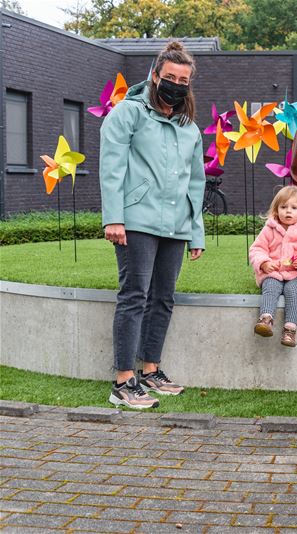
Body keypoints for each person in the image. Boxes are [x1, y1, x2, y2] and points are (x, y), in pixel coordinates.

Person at [100, 42, 205, 409]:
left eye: (183, 80)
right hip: (136, 222)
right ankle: (123, 380)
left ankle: (150, 370)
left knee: (163, 298)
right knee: (134, 296)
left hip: (175, 226)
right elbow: (111, 167)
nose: (175, 84)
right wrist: (114, 217)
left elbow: (196, 183)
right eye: (170, 77)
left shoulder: (189, 128)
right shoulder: (127, 114)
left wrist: (195, 231)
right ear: (156, 75)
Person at [249, 185, 297, 348]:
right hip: (275, 272)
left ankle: (290, 329)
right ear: (276, 210)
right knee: (271, 285)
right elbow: (257, 249)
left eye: (293, 208)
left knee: (292, 290)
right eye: (283, 207)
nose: (288, 211)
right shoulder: (270, 229)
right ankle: (266, 319)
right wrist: (264, 262)